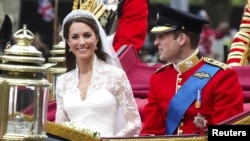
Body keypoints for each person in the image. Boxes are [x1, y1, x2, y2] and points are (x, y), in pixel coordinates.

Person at [140, 3, 244, 136]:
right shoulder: (158, 78)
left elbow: (228, 133)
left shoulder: (222, 76)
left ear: (182, 39)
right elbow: (151, 132)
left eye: (162, 37)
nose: (156, 43)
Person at [55, 9, 141, 137]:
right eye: (75, 37)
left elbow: (134, 123)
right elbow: (59, 126)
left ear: (96, 39)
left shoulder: (116, 75)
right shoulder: (62, 81)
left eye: (87, 35)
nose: (82, 42)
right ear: (68, 42)